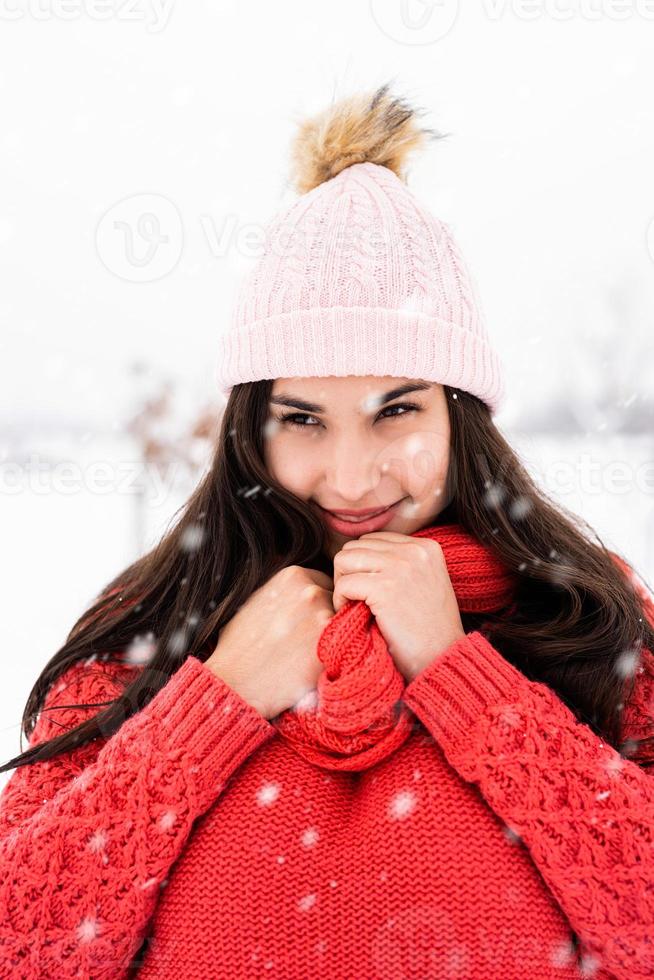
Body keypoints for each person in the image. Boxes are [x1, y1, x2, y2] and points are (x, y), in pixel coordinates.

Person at [1, 82, 653, 980]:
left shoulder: (589, 616)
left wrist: (470, 684)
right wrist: (208, 708)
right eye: (302, 418)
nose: (350, 479)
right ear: (248, 427)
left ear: (463, 418)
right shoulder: (147, 624)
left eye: (396, 411)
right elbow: (21, 948)